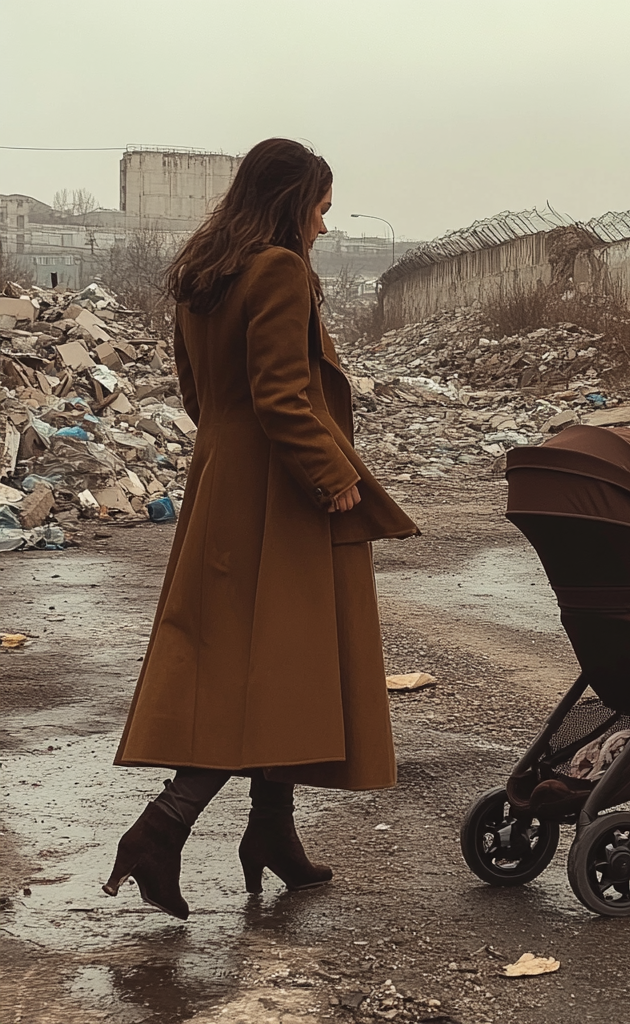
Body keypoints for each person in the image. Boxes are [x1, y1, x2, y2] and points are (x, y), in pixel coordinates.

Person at [102, 138, 418, 920]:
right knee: (265, 666)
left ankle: (271, 831)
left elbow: (201, 396)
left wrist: (236, 456)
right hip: (279, 496)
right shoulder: (277, 270)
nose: (322, 226)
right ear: (289, 203)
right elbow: (281, 395)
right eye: (318, 208)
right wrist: (332, 474)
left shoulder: (202, 275)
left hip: (224, 486)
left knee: (277, 665)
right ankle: (159, 829)